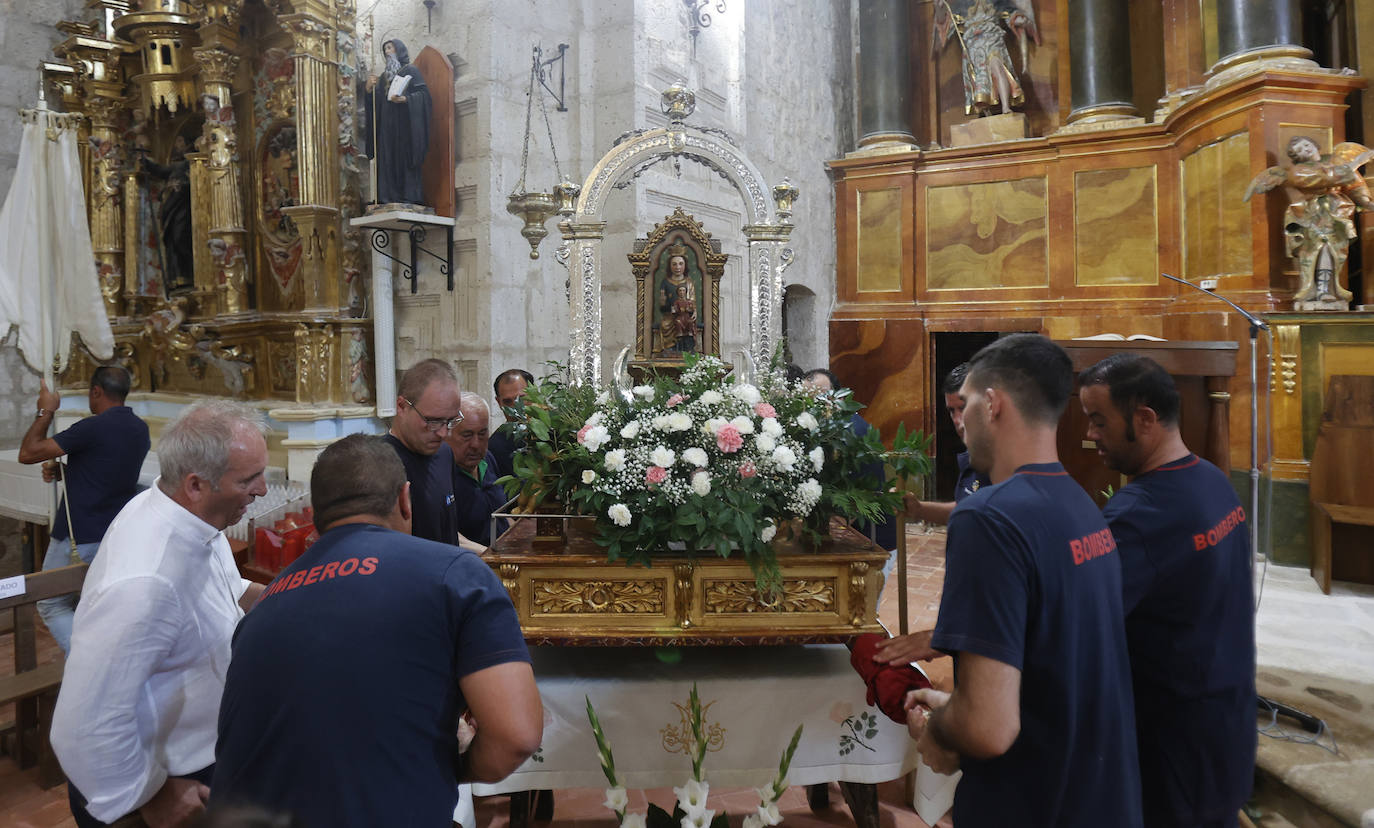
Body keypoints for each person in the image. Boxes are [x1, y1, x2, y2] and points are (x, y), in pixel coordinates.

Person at [211, 435, 542, 827]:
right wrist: (457, 765)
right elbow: (517, 734)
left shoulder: (264, 606)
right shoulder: (455, 574)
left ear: (316, 514)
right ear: (406, 499)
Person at [904, 334, 1142, 828]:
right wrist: (961, 703)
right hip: (1098, 794)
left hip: (1033, 801)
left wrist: (941, 732)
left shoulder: (987, 518)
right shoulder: (1085, 508)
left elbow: (987, 729)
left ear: (992, 404)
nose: (961, 419)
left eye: (965, 402)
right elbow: (1050, 668)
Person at [51, 400, 269, 828]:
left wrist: (292, 596)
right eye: (249, 479)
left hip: (204, 757)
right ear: (195, 484)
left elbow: (227, 592)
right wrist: (148, 795)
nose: (262, 490)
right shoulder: (146, 582)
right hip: (158, 785)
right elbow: (80, 727)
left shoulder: (190, 518)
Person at [1079, 353, 1255, 828]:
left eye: (1099, 421)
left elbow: (1079, 626)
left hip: (1173, 743)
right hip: (1228, 724)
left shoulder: (1142, 514)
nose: (1090, 435)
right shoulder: (1213, 481)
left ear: (1144, 418)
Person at [17, 367, 150, 654]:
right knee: (92, 604)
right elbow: (108, 471)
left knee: (50, 602)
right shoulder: (139, 428)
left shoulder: (92, 427)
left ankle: (86, 661)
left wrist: (46, 411)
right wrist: (66, 470)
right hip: (114, 535)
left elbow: (28, 452)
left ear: (96, 392)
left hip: (79, 536)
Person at [873, 362, 991, 666]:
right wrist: (920, 509)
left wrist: (948, 638)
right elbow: (966, 511)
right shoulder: (973, 463)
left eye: (962, 409)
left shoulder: (1003, 470)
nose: (957, 420)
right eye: (951, 411)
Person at [803, 368, 897, 553]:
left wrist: (837, 520)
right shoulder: (823, 429)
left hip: (869, 537)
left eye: (821, 396)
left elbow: (865, 491)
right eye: (808, 398)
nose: (813, 404)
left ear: (840, 397)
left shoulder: (855, 431)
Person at [385, 358, 463, 544]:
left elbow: (448, 531)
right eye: (432, 421)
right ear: (402, 406)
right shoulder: (379, 465)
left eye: (450, 421)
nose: (444, 433)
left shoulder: (444, 454)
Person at [934, 0, 1040, 116]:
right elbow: (944, 22)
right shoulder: (961, 4)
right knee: (979, 77)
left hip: (992, 38)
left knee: (999, 68)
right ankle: (986, 112)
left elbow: (1010, 13)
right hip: (974, 44)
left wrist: (1019, 19)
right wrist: (938, 8)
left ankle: (1006, 106)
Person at [363, 38, 432, 206]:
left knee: (403, 157)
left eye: (390, 47)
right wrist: (368, 90)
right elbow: (374, 106)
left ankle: (409, 196)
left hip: (405, 126)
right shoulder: (382, 79)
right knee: (386, 158)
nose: (387, 52)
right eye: (385, 49)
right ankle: (387, 196)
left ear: (399, 50)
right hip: (386, 128)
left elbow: (424, 96)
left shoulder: (411, 70)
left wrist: (406, 99)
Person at [448, 392, 510, 547]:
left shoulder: (487, 459)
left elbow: (501, 515)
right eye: (467, 435)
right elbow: (444, 533)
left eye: (482, 434)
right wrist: (488, 556)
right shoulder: (440, 472)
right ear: (446, 433)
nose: (476, 444)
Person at [141, 134, 195, 292]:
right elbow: (160, 170)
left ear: (188, 143)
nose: (177, 144)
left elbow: (195, 182)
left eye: (180, 140)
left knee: (180, 239)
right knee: (171, 241)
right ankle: (176, 277)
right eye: (176, 140)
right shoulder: (176, 166)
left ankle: (189, 274)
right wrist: (144, 160)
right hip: (171, 208)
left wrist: (179, 185)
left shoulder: (192, 162)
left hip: (184, 208)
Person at [489, 368, 533, 480]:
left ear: (534, 393)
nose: (516, 408)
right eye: (508, 402)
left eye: (521, 399)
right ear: (499, 402)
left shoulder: (555, 431)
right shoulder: (494, 447)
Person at [657, 244, 697, 355]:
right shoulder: (665, 282)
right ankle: (671, 348)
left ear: (685, 265)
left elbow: (692, 300)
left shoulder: (688, 282)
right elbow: (663, 305)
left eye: (680, 264)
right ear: (670, 266)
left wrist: (694, 311)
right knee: (666, 325)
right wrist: (663, 302)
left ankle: (688, 348)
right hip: (671, 314)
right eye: (674, 264)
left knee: (688, 322)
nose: (677, 267)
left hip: (685, 314)